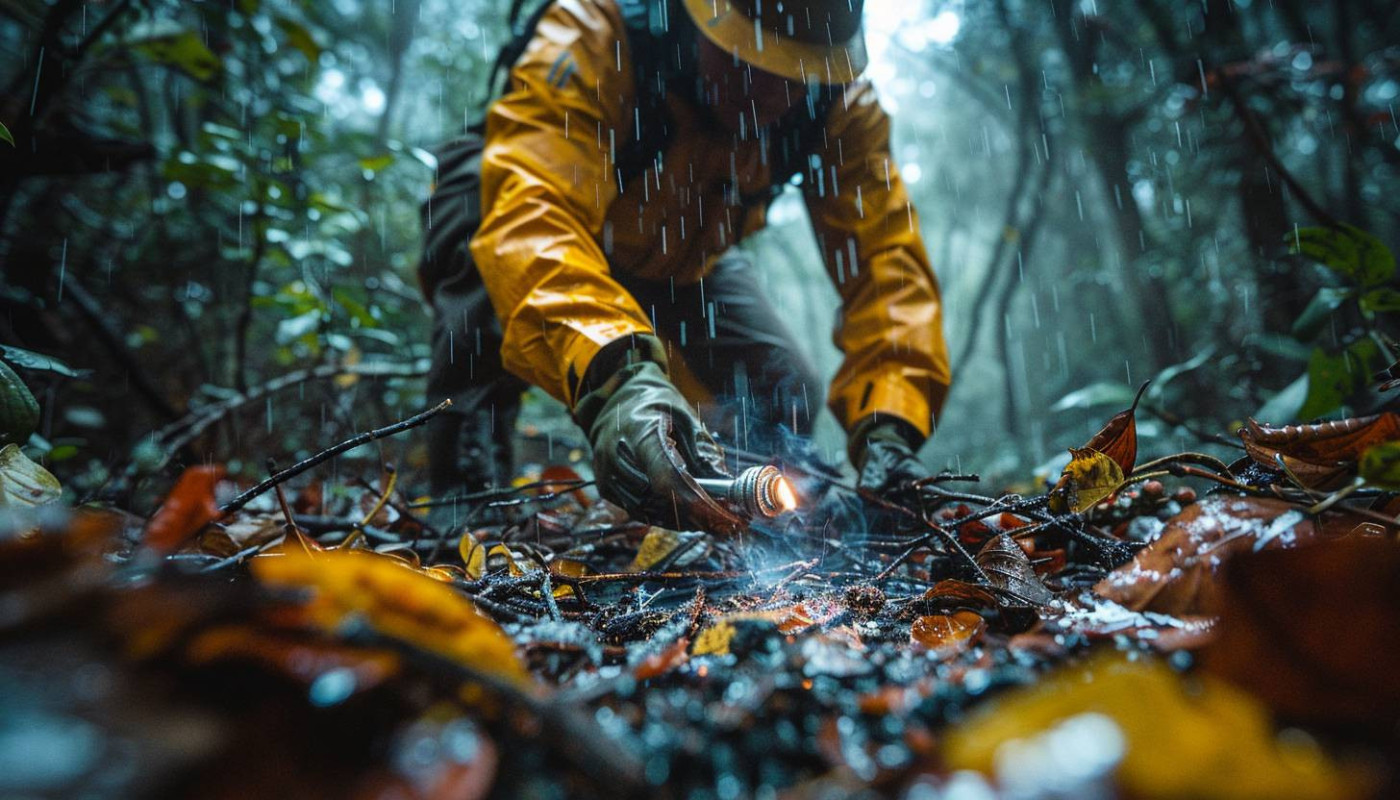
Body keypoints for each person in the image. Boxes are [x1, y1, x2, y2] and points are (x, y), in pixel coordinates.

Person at [420, 0, 950, 533]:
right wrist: (618, 380)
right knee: (486, 228)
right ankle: (467, 497)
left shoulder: (838, 104)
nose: (765, 95)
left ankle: (732, 518)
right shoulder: (596, 27)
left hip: (682, 263)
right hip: (556, 227)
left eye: (791, 75)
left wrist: (890, 426)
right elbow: (533, 215)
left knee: (782, 387)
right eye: (745, 60)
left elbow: (888, 269)